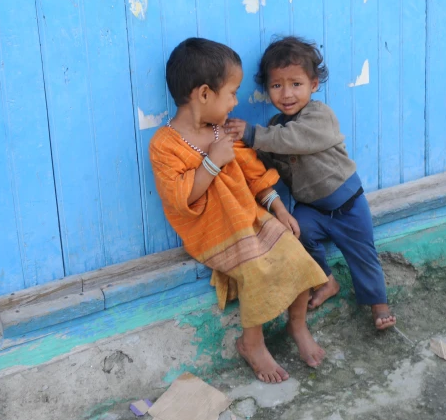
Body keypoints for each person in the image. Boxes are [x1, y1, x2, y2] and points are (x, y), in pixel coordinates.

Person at [149, 37, 328, 383]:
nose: (235, 102)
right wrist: (212, 163)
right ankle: (252, 343)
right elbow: (180, 198)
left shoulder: (223, 130)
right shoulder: (165, 144)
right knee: (256, 271)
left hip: (250, 218)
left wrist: (279, 209)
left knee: (298, 255)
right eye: (231, 93)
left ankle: (298, 324)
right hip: (215, 231)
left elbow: (253, 174)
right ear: (204, 95)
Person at [225, 36, 396, 331]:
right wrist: (241, 151)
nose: (286, 93)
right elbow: (266, 156)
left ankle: (379, 305)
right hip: (311, 209)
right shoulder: (276, 126)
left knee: (363, 254)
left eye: (296, 84)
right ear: (267, 89)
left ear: (314, 84)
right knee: (298, 234)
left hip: (348, 204)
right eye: (277, 85)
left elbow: (295, 139)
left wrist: (253, 134)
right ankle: (327, 281)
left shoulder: (319, 116)